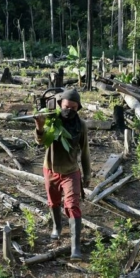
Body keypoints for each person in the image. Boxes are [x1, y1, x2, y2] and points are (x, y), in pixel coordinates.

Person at [34, 88, 91, 261]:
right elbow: (40, 141)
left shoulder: (80, 126)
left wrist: (87, 174)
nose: (69, 111)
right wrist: (39, 126)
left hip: (71, 171)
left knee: (72, 206)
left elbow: (85, 151)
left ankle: (76, 248)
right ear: (60, 104)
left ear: (78, 108)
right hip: (50, 169)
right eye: (67, 107)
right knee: (53, 201)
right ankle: (57, 227)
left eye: (74, 108)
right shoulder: (52, 120)